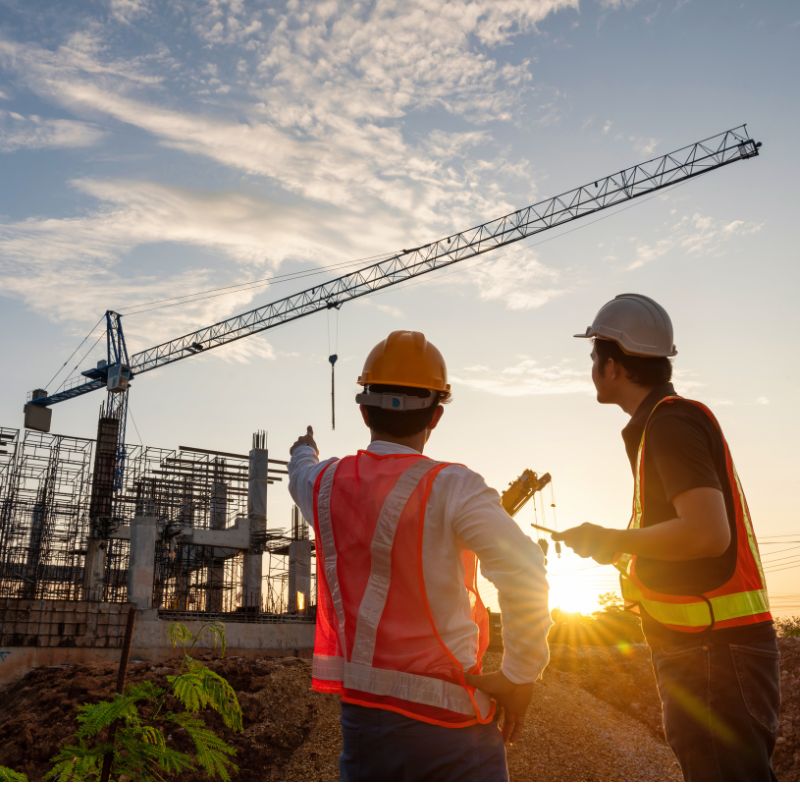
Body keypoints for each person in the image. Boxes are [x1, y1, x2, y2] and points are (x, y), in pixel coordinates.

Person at [288, 330, 551, 781]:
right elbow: (525, 569)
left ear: (363, 409)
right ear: (437, 416)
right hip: (451, 730)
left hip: (365, 726)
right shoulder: (453, 487)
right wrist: (520, 674)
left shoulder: (326, 485)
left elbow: (300, 473)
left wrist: (303, 447)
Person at [554, 293, 780, 781]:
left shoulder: (670, 424)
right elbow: (690, 545)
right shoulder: (664, 424)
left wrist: (611, 535)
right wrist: (617, 547)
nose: (592, 367)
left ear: (612, 366)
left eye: (594, 357)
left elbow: (705, 533)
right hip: (712, 649)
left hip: (714, 653)